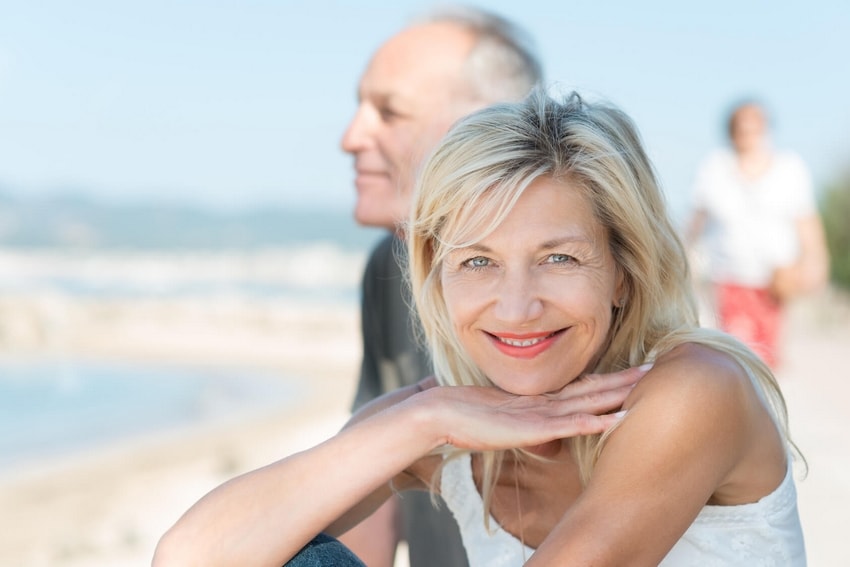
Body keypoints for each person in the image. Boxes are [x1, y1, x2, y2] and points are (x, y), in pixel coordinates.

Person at [154, 90, 806, 566]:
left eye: (559, 257)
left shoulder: (693, 390)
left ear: (623, 272)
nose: (516, 306)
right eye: (478, 261)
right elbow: (189, 557)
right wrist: (422, 419)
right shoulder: (448, 421)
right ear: (437, 276)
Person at [339, 6, 543, 566]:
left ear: (485, 128)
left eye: (389, 112)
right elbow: (368, 500)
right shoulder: (390, 264)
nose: (351, 137)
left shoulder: (565, 299)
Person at [686, 99, 829, 368]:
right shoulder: (715, 168)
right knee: (737, 352)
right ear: (732, 132)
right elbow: (695, 221)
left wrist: (816, 261)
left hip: (774, 281)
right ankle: (738, 405)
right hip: (727, 277)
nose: (749, 136)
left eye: (755, 129)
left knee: (767, 358)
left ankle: (758, 407)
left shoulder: (789, 168)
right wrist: (680, 256)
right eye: (743, 129)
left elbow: (806, 221)